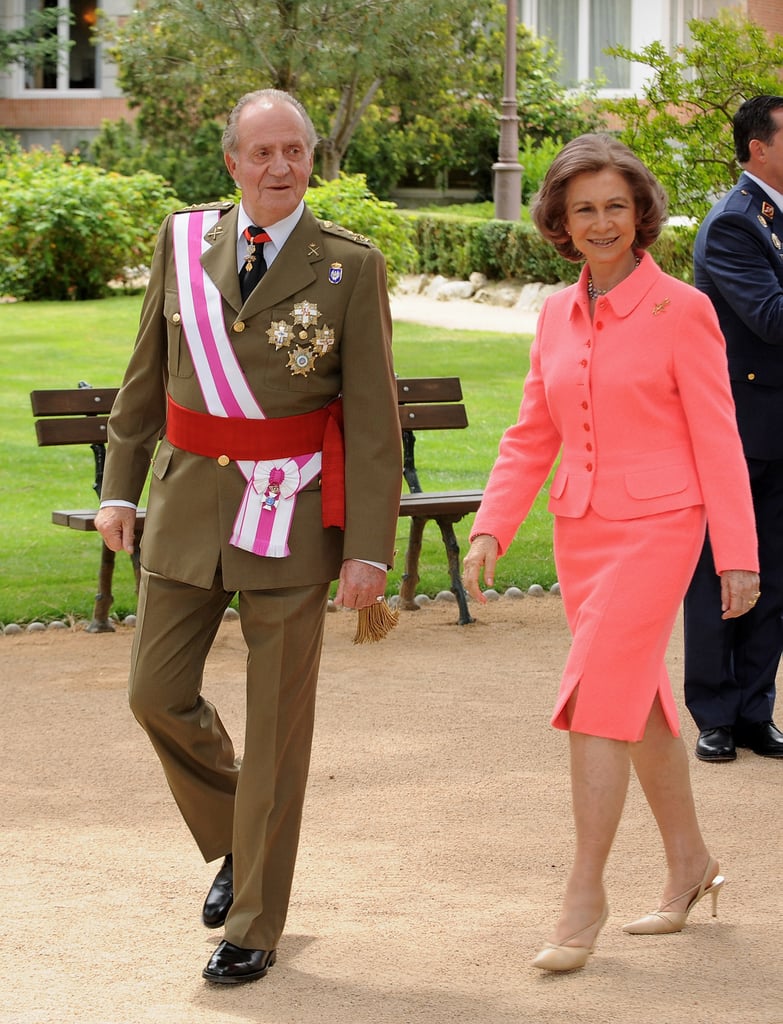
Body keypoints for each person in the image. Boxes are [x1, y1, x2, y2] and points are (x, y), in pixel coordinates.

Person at [95, 89, 402, 985]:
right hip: (190, 505)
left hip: (293, 519)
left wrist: (367, 549)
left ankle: (256, 925)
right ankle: (241, 832)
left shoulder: (350, 267)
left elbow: (375, 421)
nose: (279, 167)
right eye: (261, 152)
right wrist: (119, 489)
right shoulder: (183, 242)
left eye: (294, 152)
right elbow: (145, 374)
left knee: (276, 732)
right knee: (154, 694)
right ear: (230, 161)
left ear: (313, 160)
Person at [462, 134, 759, 973]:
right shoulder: (554, 312)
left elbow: (718, 439)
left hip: (664, 524)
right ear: (559, 220)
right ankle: (689, 865)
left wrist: (736, 554)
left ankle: (581, 894)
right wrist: (491, 524)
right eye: (583, 209)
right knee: (643, 704)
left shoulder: (684, 311)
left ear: (641, 216)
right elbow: (531, 431)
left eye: (615, 208)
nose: (599, 223)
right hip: (581, 531)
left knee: (595, 692)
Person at [683, 95, 783, 763]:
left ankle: (753, 710)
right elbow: (771, 319)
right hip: (735, 430)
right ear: (758, 147)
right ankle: (713, 712)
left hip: (777, 427)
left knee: (773, 574)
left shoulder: (773, 217)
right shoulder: (733, 224)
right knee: (719, 571)